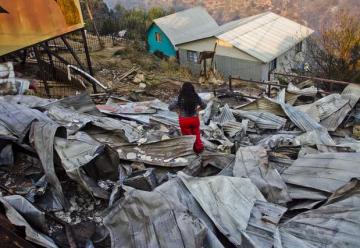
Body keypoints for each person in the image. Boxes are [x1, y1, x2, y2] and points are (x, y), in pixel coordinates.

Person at [169, 82, 207, 154]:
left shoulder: (179, 98)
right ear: (192, 89)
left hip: (184, 120)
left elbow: (170, 107)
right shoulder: (196, 97)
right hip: (194, 119)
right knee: (197, 134)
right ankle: (199, 149)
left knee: (188, 137)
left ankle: (191, 152)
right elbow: (204, 105)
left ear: (182, 89)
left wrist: (177, 111)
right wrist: (198, 110)